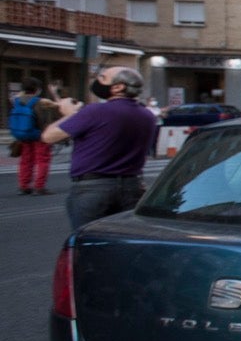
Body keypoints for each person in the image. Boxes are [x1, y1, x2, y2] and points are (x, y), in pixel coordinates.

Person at [42, 66, 160, 229]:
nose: (97, 81)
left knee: (89, 240)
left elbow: (49, 136)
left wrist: (70, 114)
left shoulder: (95, 111)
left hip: (93, 187)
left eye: (102, 78)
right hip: (133, 186)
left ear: (118, 87)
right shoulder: (147, 115)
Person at [10, 77, 56, 195]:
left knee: (25, 160)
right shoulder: (41, 102)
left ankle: (24, 186)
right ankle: (39, 187)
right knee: (42, 160)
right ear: (37, 89)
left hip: (23, 135)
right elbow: (58, 107)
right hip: (39, 135)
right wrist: (54, 93)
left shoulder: (16, 100)